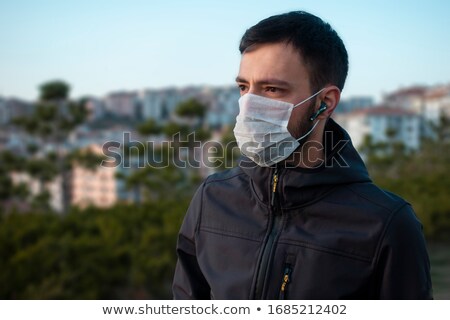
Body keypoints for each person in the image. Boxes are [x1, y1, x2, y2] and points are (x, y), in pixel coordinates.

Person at [172, 11, 432, 299]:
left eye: (272, 89)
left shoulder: (387, 225)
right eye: (244, 87)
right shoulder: (212, 198)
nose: (248, 106)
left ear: (325, 103)